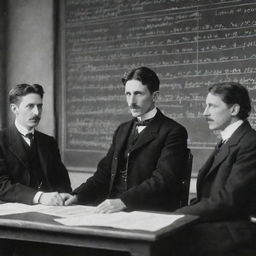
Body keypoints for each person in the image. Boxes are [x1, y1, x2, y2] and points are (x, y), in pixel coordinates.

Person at [62, 66, 188, 213]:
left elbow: (163, 180)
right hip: (113, 210)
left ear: (154, 96)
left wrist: (123, 201)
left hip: (147, 211)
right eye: (128, 94)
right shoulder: (122, 129)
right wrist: (77, 195)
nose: (131, 101)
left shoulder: (173, 131)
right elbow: (104, 174)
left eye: (138, 94)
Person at [172, 82, 256, 256]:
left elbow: (229, 200)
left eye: (212, 106)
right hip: (219, 224)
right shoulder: (229, 140)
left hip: (236, 232)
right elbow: (209, 196)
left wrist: (178, 215)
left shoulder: (250, 142)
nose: (205, 112)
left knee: (166, 243)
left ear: (233, 110)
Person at [0, 83, 72, 256]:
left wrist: (63, 195)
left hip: (50, 222)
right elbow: (2, 186)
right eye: (30, 106)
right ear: (14, 108)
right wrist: (41, 197)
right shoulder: (1, 140)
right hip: (12, 228)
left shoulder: (48, 142)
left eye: (39, 106)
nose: (37, 112)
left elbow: (62, 181)